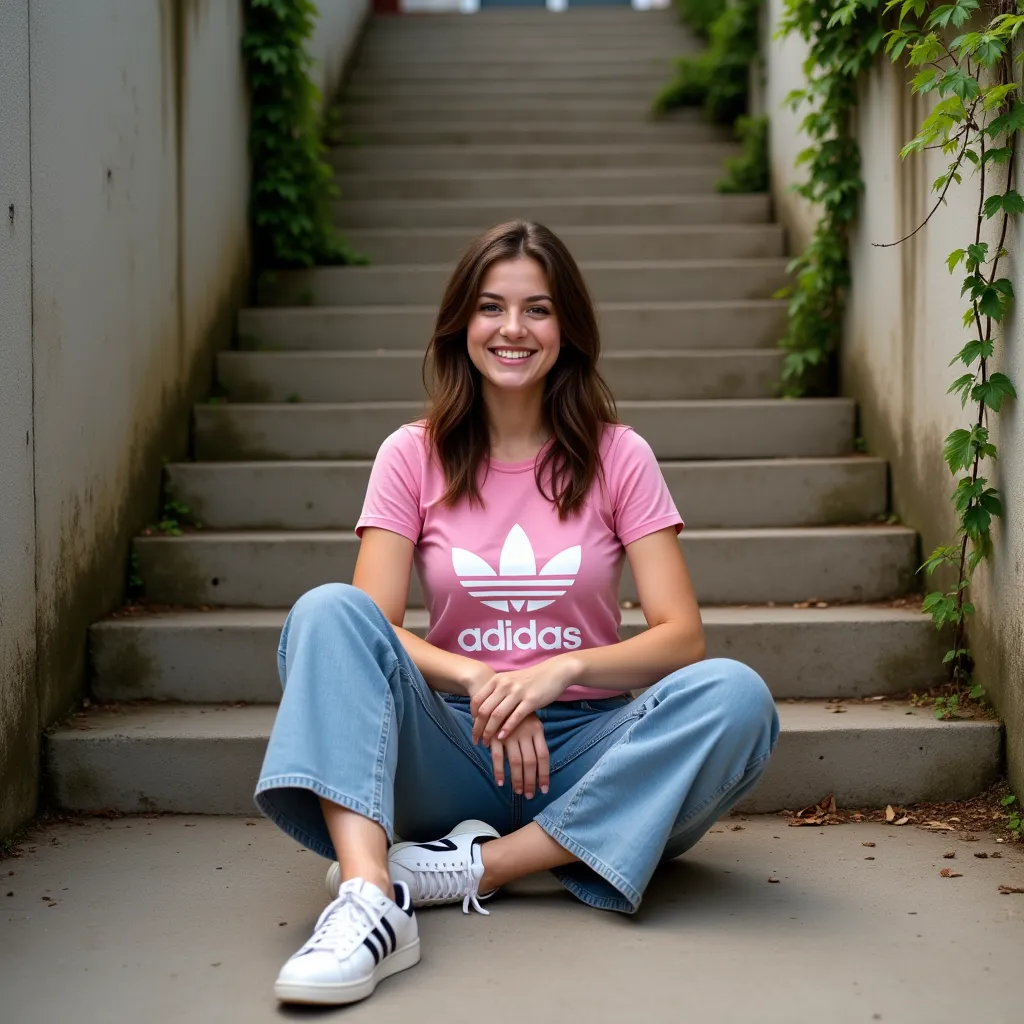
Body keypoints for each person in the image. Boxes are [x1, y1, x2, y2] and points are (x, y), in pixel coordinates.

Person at [255, 220, 780, 1006]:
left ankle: (478, 867)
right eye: (491, 307)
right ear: (461, 323)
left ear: (566, 328)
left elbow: (681, 634)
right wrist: (485, 680)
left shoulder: (618, 455)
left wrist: (557, 672)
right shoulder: (412, 453)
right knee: (327, 611)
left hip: (590, 758)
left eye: (537, 309)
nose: (512, 329)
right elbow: (373, 625)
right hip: (452, 746)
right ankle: (372, 899)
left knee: (737, 694)